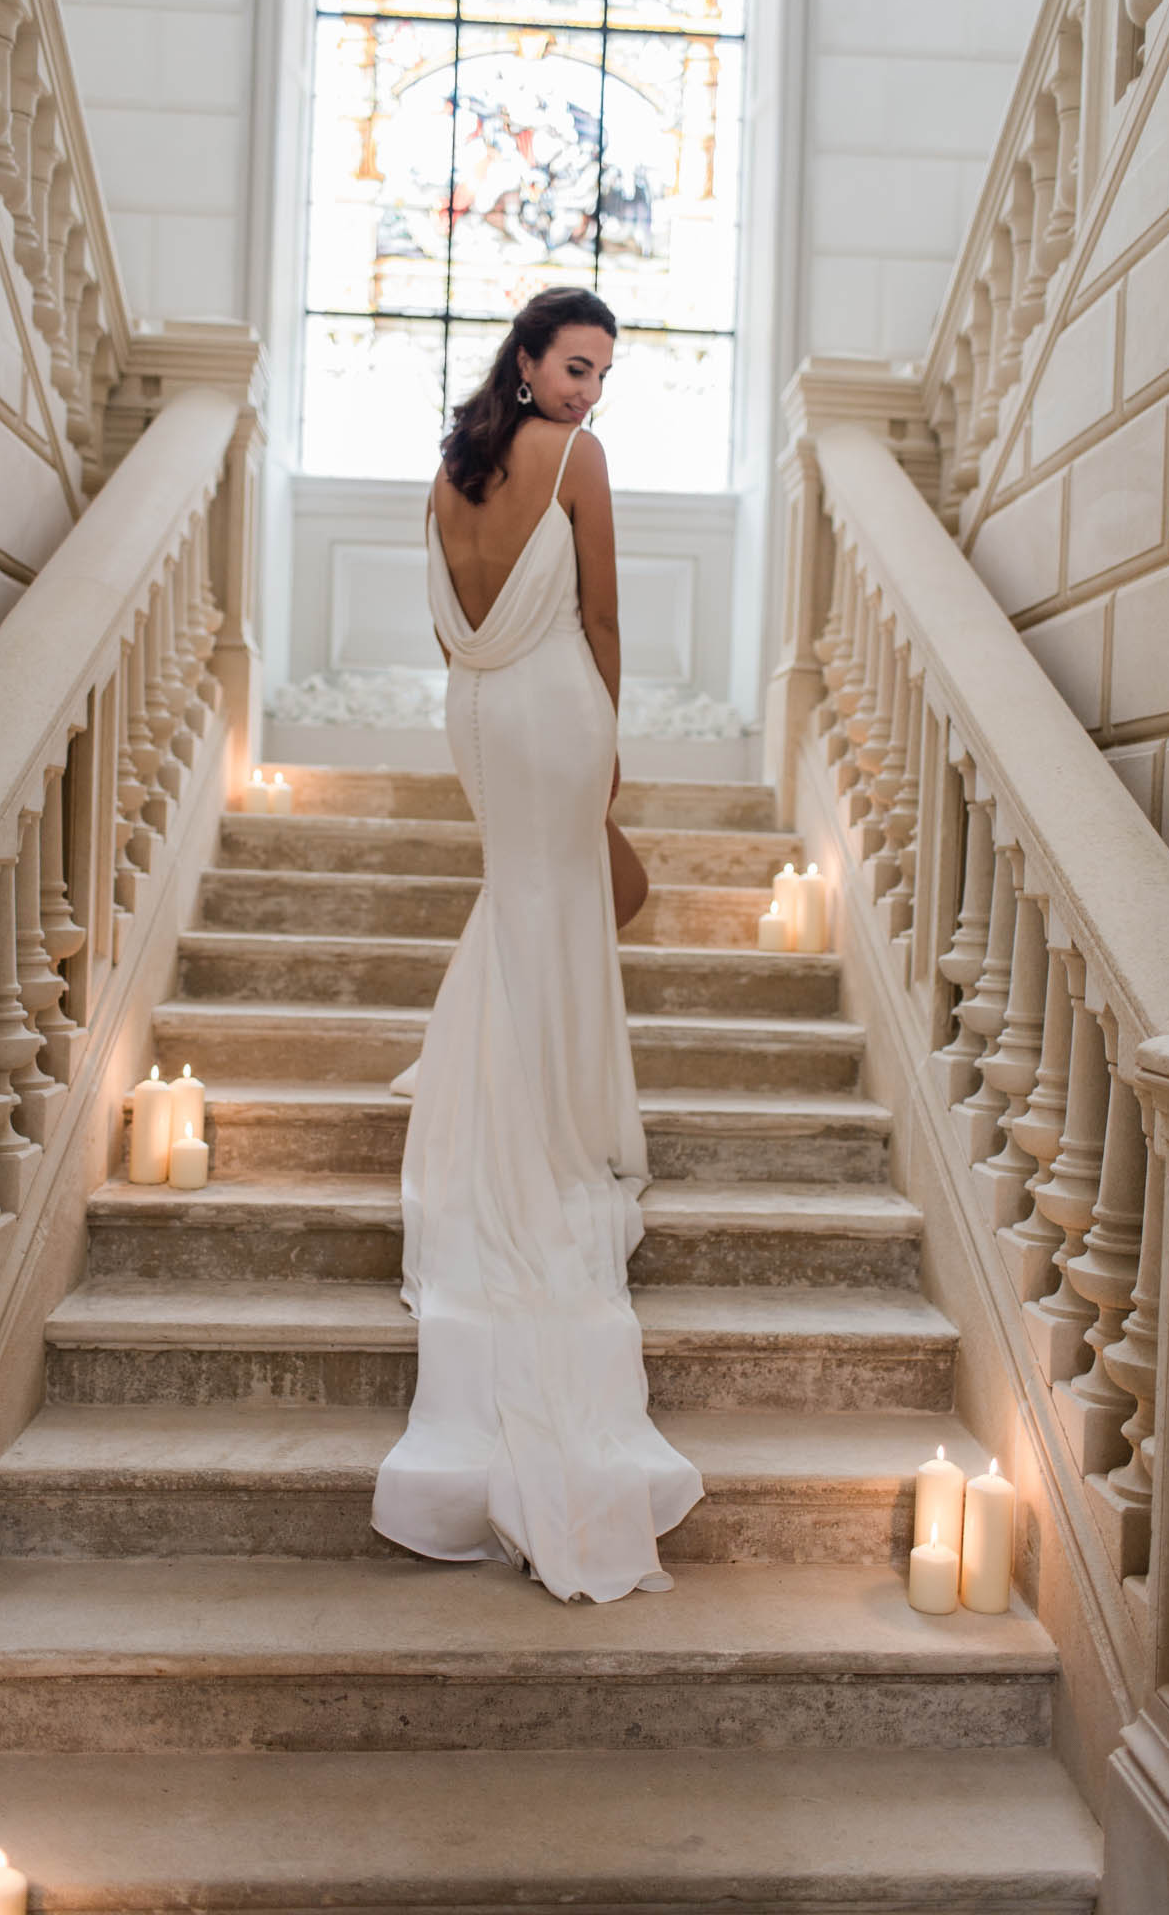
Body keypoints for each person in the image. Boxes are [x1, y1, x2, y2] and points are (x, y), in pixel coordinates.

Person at [370, 287, 704, 1601]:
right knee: (566, 907)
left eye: (602, 375)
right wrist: (607, 742)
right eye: (574, 365)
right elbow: (604, 616)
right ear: (524, 358)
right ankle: (555, 1124)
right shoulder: (577, 460)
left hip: (477, 717)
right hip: (557, 708)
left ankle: (518, 1097)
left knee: (533, 904)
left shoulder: (448, 476)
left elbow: (442, 629)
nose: (590, 391)